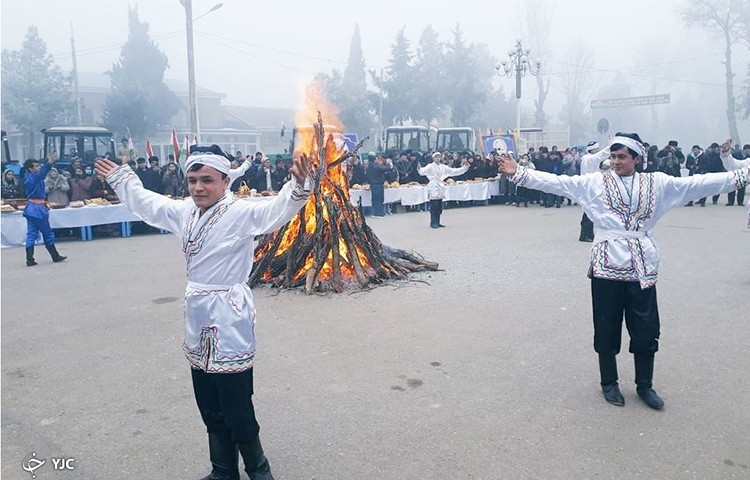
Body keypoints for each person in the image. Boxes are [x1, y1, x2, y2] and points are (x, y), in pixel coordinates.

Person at [95, 144, 312, 480]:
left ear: (226, 181)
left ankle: (258, 470)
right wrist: (122, 179)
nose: (198, 187)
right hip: (197, 315)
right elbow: (149, 204)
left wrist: (298, 186)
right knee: (208, 402)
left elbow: (276, 210)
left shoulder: (240, 213)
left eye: (207, 180)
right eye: (193, 180)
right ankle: (223, 470)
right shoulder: (185, 212)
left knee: (236, 402)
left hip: (229, 315)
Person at [498, 133, 749, 410]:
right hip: (607, 264)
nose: (615, 162)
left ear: (637, 159)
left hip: (642, 264)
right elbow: (559, 183)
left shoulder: (657, 183)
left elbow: (697, 184)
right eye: (613, 156)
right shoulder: (595, 182)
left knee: (645, 327)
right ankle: (609, 383)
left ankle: (645, 386)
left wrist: (742, 175)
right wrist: (519, 172)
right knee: (606, 325)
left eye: (622, 157)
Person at [22, 154, 67, 266]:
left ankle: (30, 259)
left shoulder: (27, 178)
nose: (38, 168)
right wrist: (50, 163)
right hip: (38, 208)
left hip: (31, 207)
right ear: (30, 168)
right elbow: (42, 173)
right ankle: (55, 256)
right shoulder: (35, 177)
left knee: (31, 233)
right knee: (47, 233)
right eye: (36, 166)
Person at [417, 151, 469, 228]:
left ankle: (438, 221)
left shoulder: (443, 167)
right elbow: (423, 171)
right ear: (433, 158)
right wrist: (419, 168)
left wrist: (464, 168)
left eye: (439, 157)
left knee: (439, 205)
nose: (438, 158)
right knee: (434, 205)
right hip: (433, 186)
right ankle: (433, 222)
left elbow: (454, 171)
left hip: (440, 186)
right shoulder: (430, 166)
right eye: (436, 157)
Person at [578, 141, 610, 242]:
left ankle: (586, 234)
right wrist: (610, 146)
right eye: (597, 149)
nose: (598, 150)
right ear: (592, 150)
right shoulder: (591, 158)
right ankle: (586, 235)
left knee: (588, 211)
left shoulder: (587, 159)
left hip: (587, 186)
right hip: (590, 187)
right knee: (590, 211)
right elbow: (602, 155)